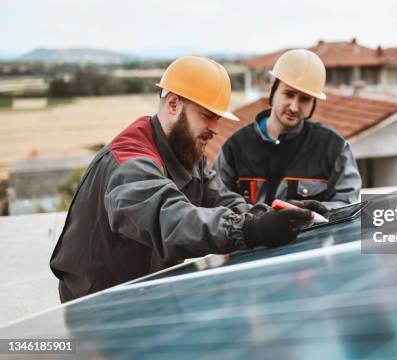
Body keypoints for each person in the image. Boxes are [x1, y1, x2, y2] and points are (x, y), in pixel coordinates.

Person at [50, 56, 313, 302]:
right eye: (207, 116)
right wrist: (248, 230)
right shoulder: (129, 162)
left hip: (146, 290)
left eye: (218, 118)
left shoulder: (185, 151)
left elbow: (222, 199)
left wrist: (280, 216)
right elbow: (170, 219)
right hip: (99, 304)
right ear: (174, 104)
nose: (216, 128)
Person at [214, 49, 361, 212]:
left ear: (313, 103)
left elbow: (347, 204)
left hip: (312, 238)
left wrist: (311, 213)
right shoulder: (235, 147)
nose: (294, 107)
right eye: (289, 94)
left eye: (304, 99)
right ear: (272, 90)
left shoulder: (333, 148)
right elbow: (217, 203)